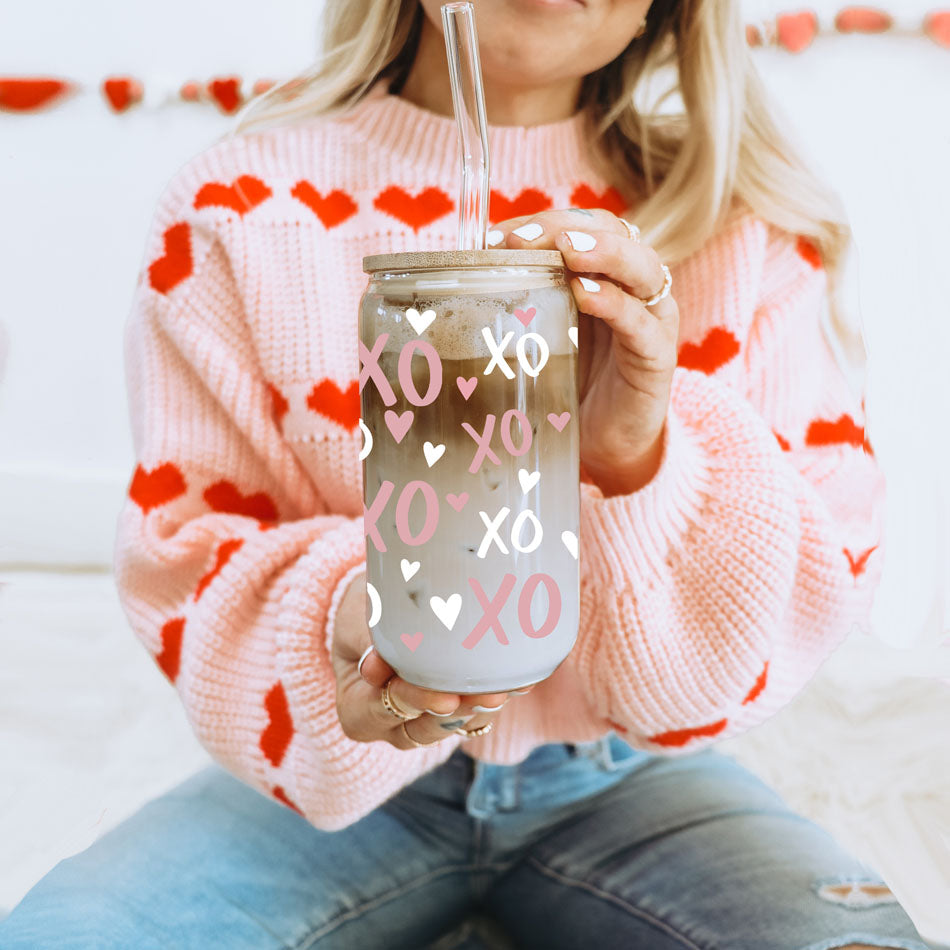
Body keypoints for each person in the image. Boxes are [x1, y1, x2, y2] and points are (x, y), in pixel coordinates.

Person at [0, 0, 931, 948]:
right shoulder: (234, 214)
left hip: (630, 774)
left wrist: (636, 460)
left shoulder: (745, 227)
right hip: (338, 791)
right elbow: (187, 554)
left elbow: (800, 596)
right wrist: (349, 620)